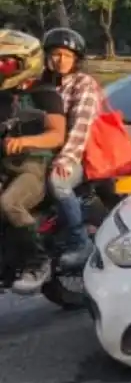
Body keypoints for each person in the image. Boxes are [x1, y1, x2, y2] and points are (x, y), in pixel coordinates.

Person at [0, 30, 67, 294]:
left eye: (6, 63)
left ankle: (38, 261)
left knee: (9, 204)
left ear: (26, 62)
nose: (1, 68)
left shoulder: (44, 94)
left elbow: (57, 134)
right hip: (5, 164)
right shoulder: (4, 95)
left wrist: (25, 142)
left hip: (33, 164)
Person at [41, 28, 100, 269]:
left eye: (67, 55)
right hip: (46, 151)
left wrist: (66, 158)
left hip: (79, 155)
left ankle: (80, 242)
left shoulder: (83, 84)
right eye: (56, 54)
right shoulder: (42, 84)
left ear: (76, 59)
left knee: (58, 182)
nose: (61, 60)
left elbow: (80, 127)